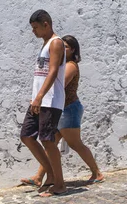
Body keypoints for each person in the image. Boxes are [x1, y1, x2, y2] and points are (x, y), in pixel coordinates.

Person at [21, 35, 104, 187]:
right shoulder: (61, 65)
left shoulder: (70, 66)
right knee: (50, 143)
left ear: (73, 50)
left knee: (75, 144)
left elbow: (60, 85)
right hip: (58, 109)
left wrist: (40, 96)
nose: (63, 50)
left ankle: (96, 172)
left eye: (66, 47)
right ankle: (39, 177)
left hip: (68, 109)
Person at [19, 10, 67, 196]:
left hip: (50, 99)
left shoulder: (56, 43)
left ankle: (59, 183)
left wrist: (40, 96)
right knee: (27, 135)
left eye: (36, 27)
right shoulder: (45, 45)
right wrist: (35, 97)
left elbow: (53, 71)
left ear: (46, 24)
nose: (34, 32)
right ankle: (51, 175)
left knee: (47, 140)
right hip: (39, 99)